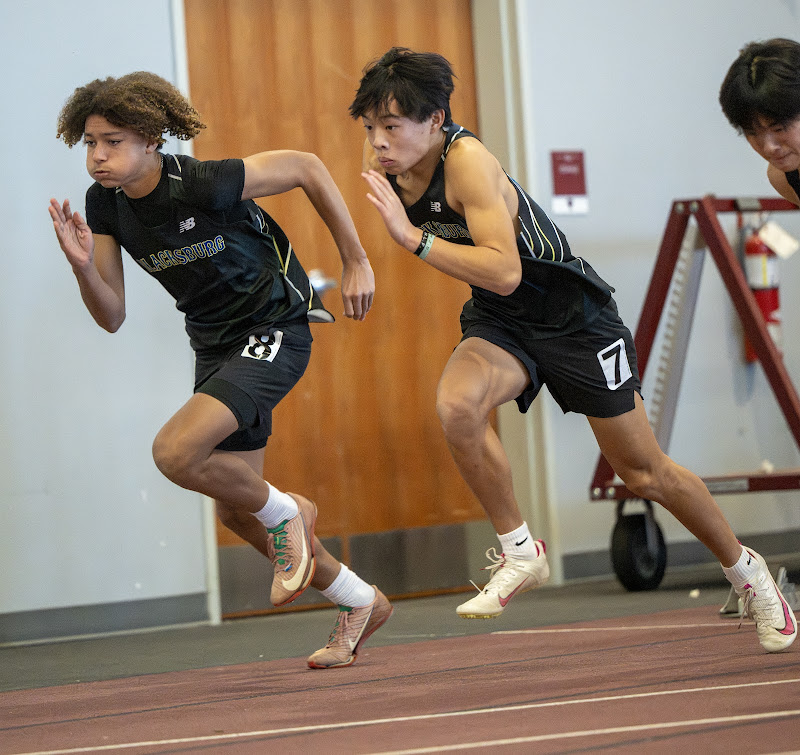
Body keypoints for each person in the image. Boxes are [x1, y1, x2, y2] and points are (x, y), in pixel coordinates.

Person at [351, 47, 796, 652]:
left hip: (576, 321)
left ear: (435, 120)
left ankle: (749, 574)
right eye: (369, 128)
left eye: (391, 126)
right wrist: (355, 260)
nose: (378, 142)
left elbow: (504, 269)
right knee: (457, 407)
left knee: (644, 472)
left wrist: (412, 240)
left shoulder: (468, 163)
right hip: (504, 319)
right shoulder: (388, 165)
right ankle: (519, 551)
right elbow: (497, 289)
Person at [49, 71, 391, 669]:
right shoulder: (105, 204)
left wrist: (355, 258)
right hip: (215, 346)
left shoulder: (203, 182)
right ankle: (359, 599)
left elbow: (307, 166)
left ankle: (291, 510)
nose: (98, 155)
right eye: (91, 143)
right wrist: (82, 268)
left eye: (113, 142)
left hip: (275, 328)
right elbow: (112, 315)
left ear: (151, 139)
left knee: (175, 453)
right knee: (237, 509)